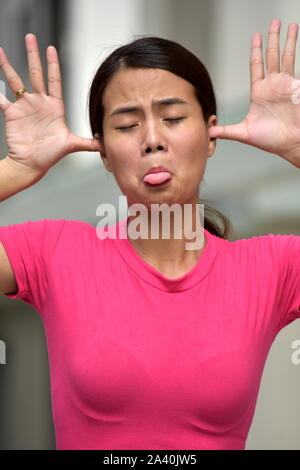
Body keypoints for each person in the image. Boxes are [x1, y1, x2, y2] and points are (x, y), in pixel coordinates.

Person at [0, 18, 299, 450]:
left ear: (211, 134)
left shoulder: (274, 267)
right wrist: (16, 169)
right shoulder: (55, 252)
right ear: (102, 151)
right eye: (126, 126)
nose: (152, 140)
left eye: (174, 118)